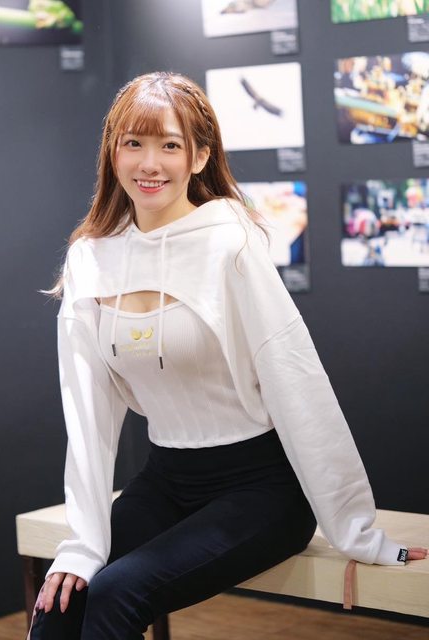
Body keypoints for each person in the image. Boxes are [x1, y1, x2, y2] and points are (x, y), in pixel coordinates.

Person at [29, 71, 427, 640]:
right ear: (112, 152)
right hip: (167, 480)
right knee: (62, 604)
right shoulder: (91, 259)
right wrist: (83, 544)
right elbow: (87, 414)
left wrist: (358, 530)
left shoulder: (230, 243)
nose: (149, 163)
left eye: (170, 145)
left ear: (199, 156)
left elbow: (298, 384)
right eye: (133, 143)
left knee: (117, 595)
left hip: (262, 490)